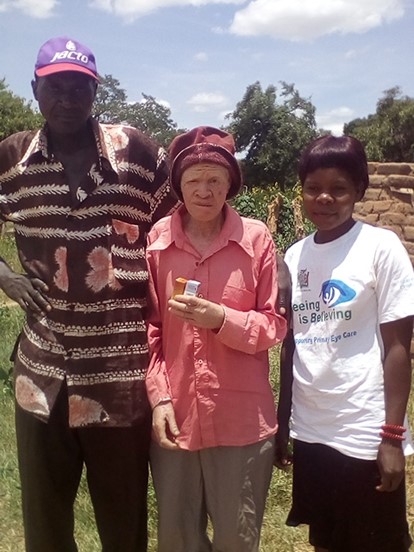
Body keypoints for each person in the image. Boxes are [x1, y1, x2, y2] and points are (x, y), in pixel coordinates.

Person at [0, 36, 177, 551]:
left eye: (80, 87)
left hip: (119, 372)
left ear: (95, 92)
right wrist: (6, 276)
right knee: (45, 521)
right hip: (42, 370)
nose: (68, 98)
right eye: (57, 87)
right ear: (36, 90)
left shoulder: (139, 154)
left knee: (123, 521)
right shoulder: (11, 158)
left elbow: (187, 213)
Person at [145, 126, 287, 552]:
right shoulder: (157, 243)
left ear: (230, 184)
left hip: (240, 421)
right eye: (193, 180)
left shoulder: (256, 240)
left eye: (214, 180)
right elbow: (150, 329)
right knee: (177, 538)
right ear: (178, 186)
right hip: (177, 420)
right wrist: (160, 399)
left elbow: (274, 325)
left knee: (236, 539)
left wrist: (222, 318)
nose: (204, 191)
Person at [275, 135, 414, 552]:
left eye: (338, 188)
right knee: (327, 540)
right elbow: (291, 345)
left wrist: (391, 437)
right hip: (313, 430)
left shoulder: (379, 247)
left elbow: (398, 349)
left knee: (377, 542)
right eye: (313, 187)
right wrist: (283, 425)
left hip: (363, 430)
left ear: (359, 191)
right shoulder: (294, 256)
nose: (324, 198)